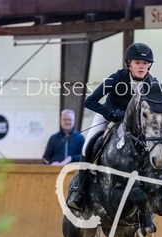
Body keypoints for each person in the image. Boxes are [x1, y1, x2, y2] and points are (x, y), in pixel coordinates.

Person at [67, 42, 156, 211]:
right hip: (109, 117)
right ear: (129, 64)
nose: (141, 66)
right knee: (88, 147)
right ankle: (79, 191)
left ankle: (160, 189)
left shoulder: (152, 84)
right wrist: (111, 112)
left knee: (158, 145)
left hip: (136, 125)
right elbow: (90, 101)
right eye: (137, 62)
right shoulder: (116, 78)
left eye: (145, 63)